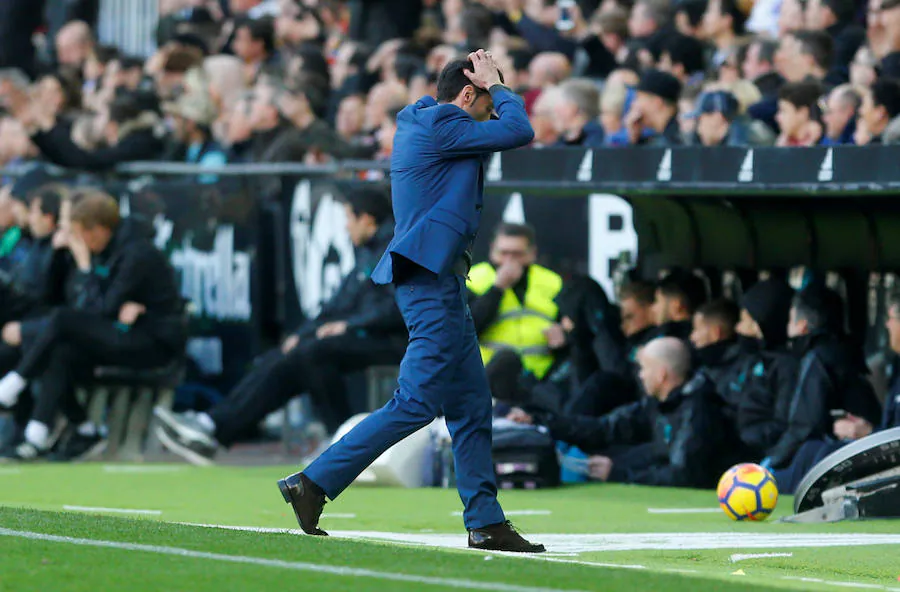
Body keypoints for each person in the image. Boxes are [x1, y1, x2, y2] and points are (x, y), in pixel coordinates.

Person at [276, 50, 543, 553]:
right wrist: (501, 87)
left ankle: (485, 521)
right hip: (430, 283)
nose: (490, 113)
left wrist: (494, 90)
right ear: (468, 94)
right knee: (417, 403)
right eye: (486, 102)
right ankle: (312, 482)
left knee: (469, 403)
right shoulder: (445, 123)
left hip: (437, 281)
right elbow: (519, 131)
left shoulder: (429, 121)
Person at [153, 188, 406, 463]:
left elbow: (396, 307)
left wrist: (348, 325)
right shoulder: (367, 254)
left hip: (393, 339)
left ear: (367, 220)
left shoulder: (393, 249)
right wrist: (302, 333)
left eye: (348, 218)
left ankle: (343, 440)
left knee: (312, 353)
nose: (345, 227)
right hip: (361, 333)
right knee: (287, 356)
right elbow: (337, 305)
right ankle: (212, 427)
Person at [0, 192, 186, 461]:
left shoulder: (136, 253)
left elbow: (96, 311)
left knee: (62, 321)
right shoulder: (103, 248)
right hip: (122, 331)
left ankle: (15, 383)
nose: (74, 240)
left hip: (152, 341)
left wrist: (85, 265)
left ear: (97, 230)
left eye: (77, 233)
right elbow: (86, 305)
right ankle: (49, 436)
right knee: (59, 350)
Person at [515, 337, 731, 488]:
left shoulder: (699, 410)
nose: (640, 375)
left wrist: (619, 473)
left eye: (645, 368)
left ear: (662, 374)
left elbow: (684, 474)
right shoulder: (656, 404)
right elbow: (604, 428)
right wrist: (540, 421)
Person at [763, 283, 883, 489]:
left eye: (790, 320)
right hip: (870, 448)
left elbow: (805, 424)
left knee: (800, 461)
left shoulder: (818, 357)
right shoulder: (847, 350)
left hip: (845, 448)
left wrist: (770, 463)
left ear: (801, 325)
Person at [467, 223, 564, 383]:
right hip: (487, 377)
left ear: (532, 253)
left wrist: (563, 336)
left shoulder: (552, 282)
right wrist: (497, 288)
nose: (509, 260)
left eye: (517, 254)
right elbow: (466, 329)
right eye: (504, 253)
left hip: (540, 379)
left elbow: (569, 328)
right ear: (492, 250)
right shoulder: (473, 279)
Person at [653, 269, 708, 342]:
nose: (653, 308)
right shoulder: (703, 340)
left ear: (676, 305)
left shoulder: (665, 341)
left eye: (658, 301)